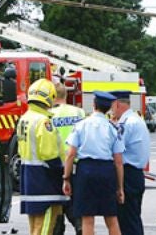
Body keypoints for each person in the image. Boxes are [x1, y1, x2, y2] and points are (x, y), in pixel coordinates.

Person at [63, 91, 124, 235]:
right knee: (111, 218)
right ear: (109, 108)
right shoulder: (113, 128)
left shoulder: (81, 125)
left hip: (86, 171)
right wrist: (120, 187)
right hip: (106, 171)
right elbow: (118, 161)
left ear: (93, 105)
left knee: (87, 219)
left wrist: (66, 178)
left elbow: (71, 154)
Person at [19, 79, 68, 235]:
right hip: (44, 180)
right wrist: (62, 171)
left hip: (29, 177)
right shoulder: (43, 121)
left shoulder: (24, 118)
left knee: (35, 226)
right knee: (45, 226)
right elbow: (49, 153)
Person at [110, 91, 151, 235]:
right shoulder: (136, 119)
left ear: (117, 104)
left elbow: (115, 150)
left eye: (112, 105)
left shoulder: (125, 123)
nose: (111, 110)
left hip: (127, 175)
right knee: (133, 218)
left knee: (127, 222)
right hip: (136, 175)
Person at [51, 82, 85, 235]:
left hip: (56, 164)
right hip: (77, 165)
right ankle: (80, 225)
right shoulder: (79, 113)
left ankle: (59, 229)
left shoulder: (49, 114)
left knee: (57, 204)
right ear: (66, 95)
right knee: (75, 201)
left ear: (52, 96)